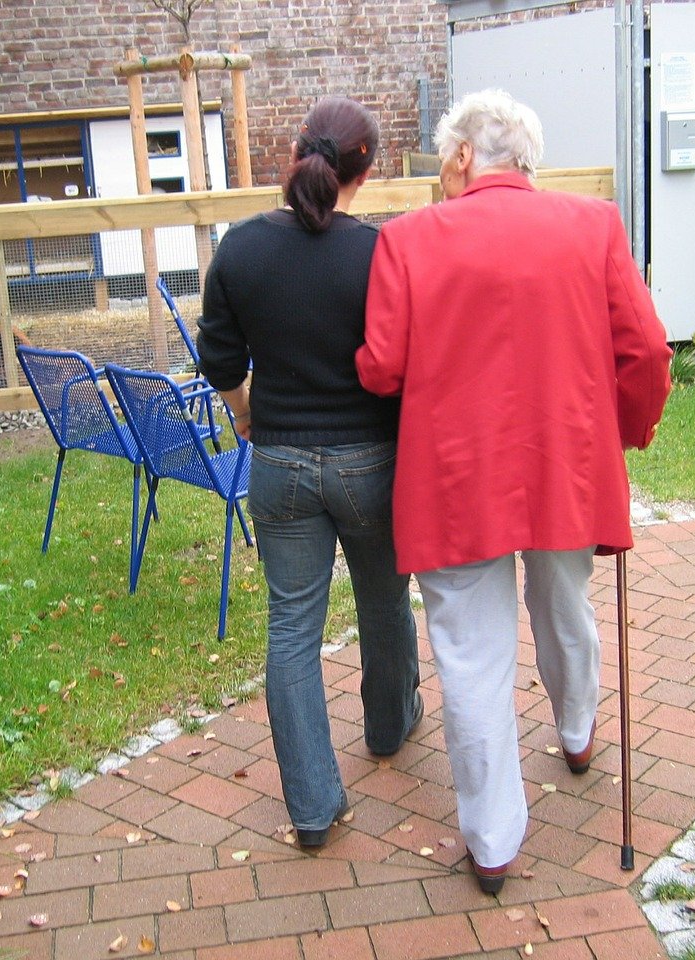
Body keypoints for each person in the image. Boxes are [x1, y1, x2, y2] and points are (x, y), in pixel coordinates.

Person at [356, 89, 672, 893]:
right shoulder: (593, 225)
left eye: (443, 158)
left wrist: (364, 366)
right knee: (566, 604)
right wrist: (626, 431)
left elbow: (384, 367)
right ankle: (575, 730)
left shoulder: (406, 239)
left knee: (471, 656)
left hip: (457, 479)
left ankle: (493, 843)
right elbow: (645, 350)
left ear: (464, 156)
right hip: (567, 468)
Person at [196, 96, 422, 850]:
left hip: (281, 466)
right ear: (369, 168)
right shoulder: (381, 252)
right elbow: (405, 362)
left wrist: (246, 412)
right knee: (385, 604)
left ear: (294, 154)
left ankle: (313, 808)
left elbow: (221, 362)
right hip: (372, 466)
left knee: (291, 628)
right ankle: (389, 729)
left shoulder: (240, 249)